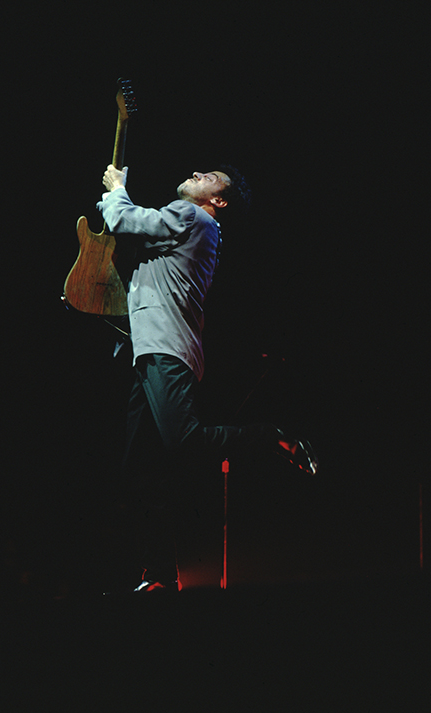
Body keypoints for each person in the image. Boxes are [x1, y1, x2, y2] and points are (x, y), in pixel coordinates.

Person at [97, 164, 318, 593]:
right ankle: (159, 574)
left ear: (218, 200)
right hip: (152, 351)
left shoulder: (191, 216)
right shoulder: (192, 230)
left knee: (183, 442)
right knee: (140, 468)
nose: (198, 172)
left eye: (210, 177)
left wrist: (117, 189)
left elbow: (124, 219)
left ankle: (269, 437)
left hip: (165, 350)